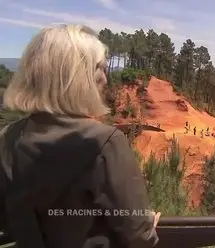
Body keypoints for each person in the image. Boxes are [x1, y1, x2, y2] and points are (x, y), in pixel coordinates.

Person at [0, 24, 160, 248]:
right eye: (100, 69)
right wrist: (148, 225)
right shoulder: (104, 142)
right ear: (77, 78)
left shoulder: (8, 137)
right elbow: (140, 237)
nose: (105, 78)